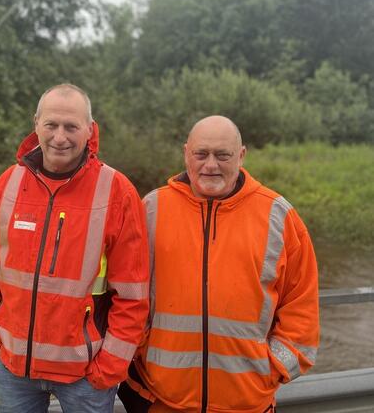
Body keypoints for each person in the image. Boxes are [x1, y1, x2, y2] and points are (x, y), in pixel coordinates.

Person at [119, 115, 320, 413]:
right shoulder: (151, 209)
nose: (210, 165)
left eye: (222, 155)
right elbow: (123, 292)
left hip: (248, 403)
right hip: (159, 400)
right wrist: (139, 350)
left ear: (241, 156)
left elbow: (302, 307)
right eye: (201, 154)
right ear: (186, 152)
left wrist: (272, 367)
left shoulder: (278, 216)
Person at [0, 84, 149, 412]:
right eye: (51, 125)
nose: (60, 137)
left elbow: (133, 295)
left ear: (90, 130)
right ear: (36, 123)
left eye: (71, 127)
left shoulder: (117, 192)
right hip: (12, 367)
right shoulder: (8, 184)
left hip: (86, 374)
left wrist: (109, 366)